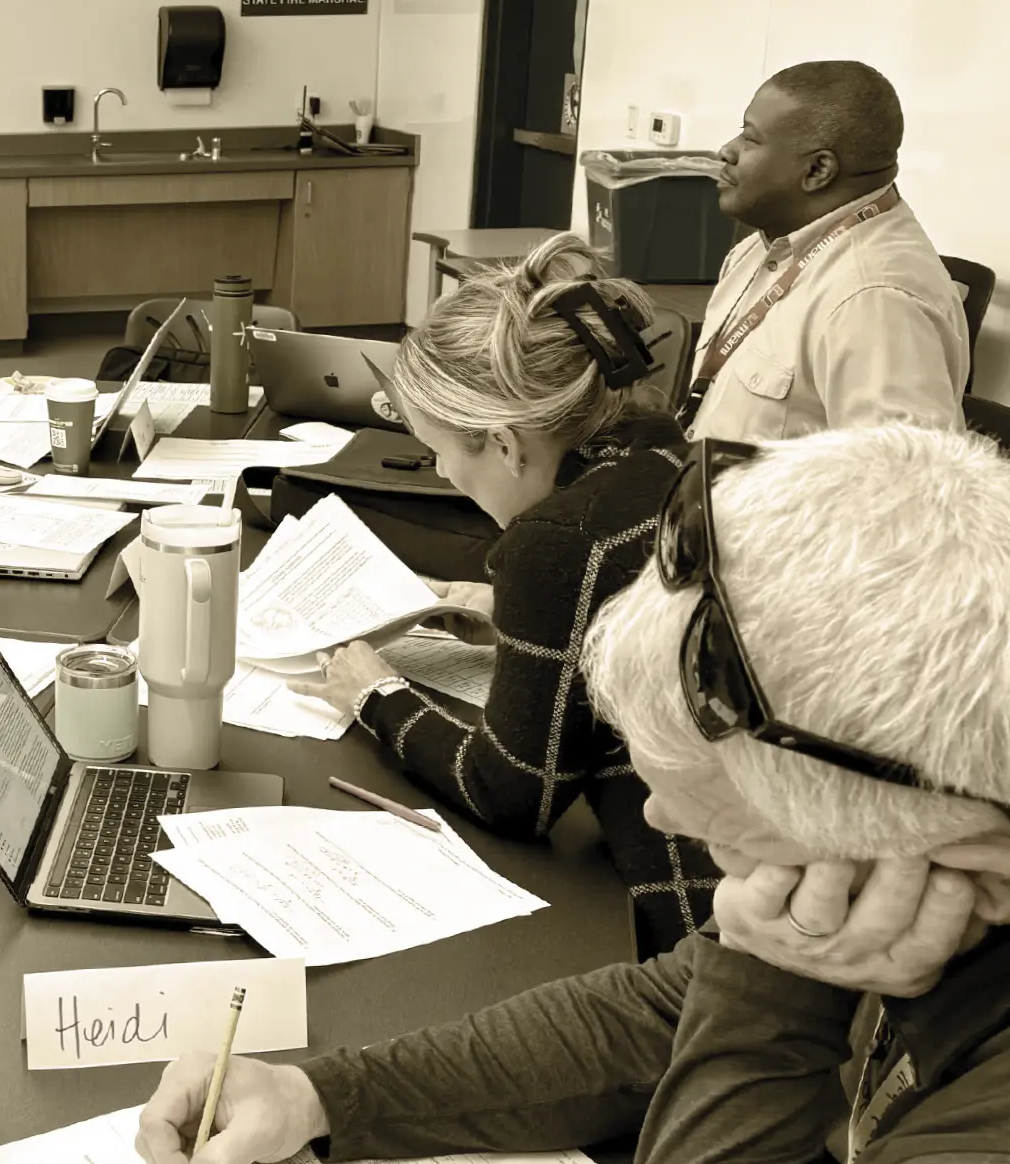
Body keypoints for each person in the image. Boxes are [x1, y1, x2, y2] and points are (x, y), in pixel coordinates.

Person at [138, 423, 1010, 1164]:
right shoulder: (888, 874)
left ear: (969, 854)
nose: (660, 819)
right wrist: (321, 1098)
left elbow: (731, 1005)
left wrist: (778, 985)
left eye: (733, 842)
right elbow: (665, 1013)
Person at [287, 234, 716, 955]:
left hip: (694, 920)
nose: (443, 475)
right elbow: (624, 610)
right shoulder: (656, 438)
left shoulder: (558, 539)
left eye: (440, 452)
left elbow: (512, 792)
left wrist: (375, 694)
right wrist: (507, 614)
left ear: (506, 444)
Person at [685, 60, 967, 442]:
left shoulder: (873, 301)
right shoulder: (761, 247)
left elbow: (904, 476)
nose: (727, 150)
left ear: (818, 170)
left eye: (750, 139)